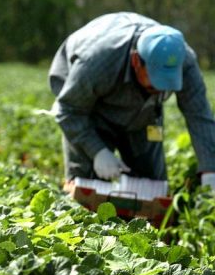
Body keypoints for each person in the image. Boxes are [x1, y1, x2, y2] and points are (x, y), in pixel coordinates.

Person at [49, 12, 215, 190]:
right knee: (87, 189)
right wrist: (97, 150)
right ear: (136, 61)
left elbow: (199, 115)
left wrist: (211, 171)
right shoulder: (97, 61)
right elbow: (69, 110)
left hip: (144, 115)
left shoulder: (184, 61)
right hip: (90, 108)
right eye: (156, 83)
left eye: (168, 84)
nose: (161, 90)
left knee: (151, 189)